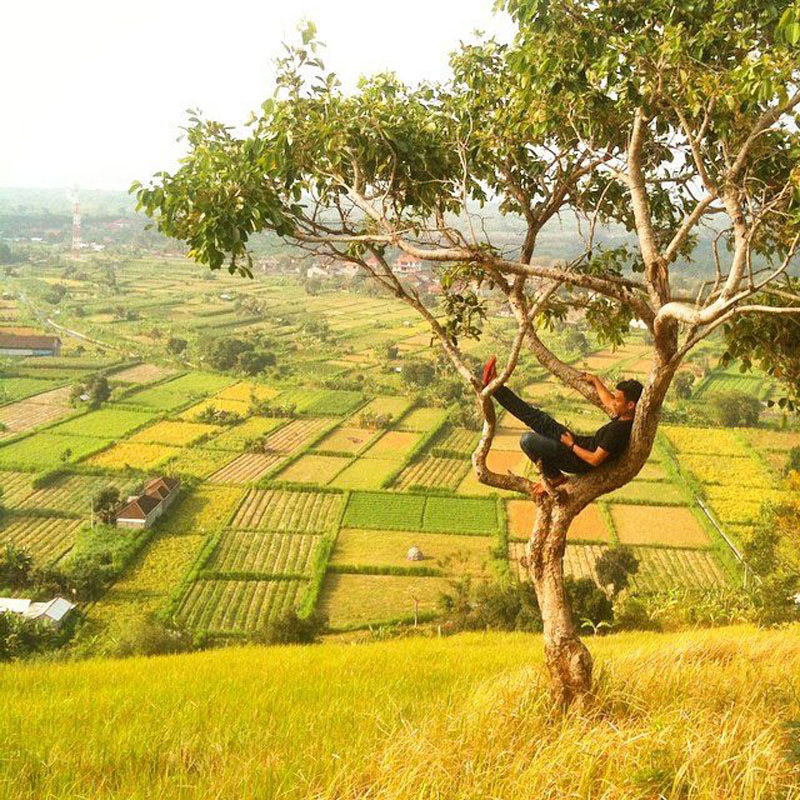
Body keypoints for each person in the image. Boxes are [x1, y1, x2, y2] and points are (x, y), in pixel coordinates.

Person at [481, 356, 644, 497]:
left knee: (528, 440)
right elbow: (608, 400)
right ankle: (496, 388)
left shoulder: (618, 430)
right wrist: (595, 380)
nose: (613, 402)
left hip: (576, 459)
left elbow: (594, 460)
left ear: (630, 405)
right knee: (537, 418)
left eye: (618, 400)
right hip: (577, 444)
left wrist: (571, 445)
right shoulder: (627, 416)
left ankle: (554, 477)